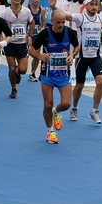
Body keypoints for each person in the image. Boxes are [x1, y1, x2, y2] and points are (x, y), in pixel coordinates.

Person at [28, 10, 80, 144]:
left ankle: (55, 112)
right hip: (48, 74)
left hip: (63, 74)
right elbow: (31, 49)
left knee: (67, 103)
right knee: (47, 103)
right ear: (53, 22)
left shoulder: (69, 32)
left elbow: (77, 46)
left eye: (63, 22)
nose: (61, 25)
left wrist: (72, 55)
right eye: (58, 22)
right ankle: (50, 131)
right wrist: (39, 56)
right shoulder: (45, 34)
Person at [0, 0, 35, 98]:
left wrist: (29, 35)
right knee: (11, 68)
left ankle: (18, 73)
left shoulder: (26, 11)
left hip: (21, 44)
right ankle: (14, 88)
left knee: (23, 70)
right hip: (9, 44)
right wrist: (1, 38)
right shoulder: (5, 13)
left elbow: (32, 22)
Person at [27, 0, 46, 82]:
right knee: (25, 54)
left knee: (37, 55)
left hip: (37, 35)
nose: (36, 0)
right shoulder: (26, 9)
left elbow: (43, 22)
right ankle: (20, 70)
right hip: (27, 35)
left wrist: (43, 28)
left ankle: (32, 73)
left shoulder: (42, 10)